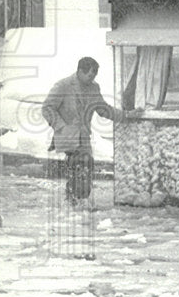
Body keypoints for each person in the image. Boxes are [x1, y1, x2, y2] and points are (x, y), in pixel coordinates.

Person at [42, 56, 131, 205]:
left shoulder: (94, 87)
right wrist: (61, 126)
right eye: (90, 75)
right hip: (67, 135)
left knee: (86, 166)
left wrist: (125, 115)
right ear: (80, 71)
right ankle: (74, 201)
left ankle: (78, 200)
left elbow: (103, 109)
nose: (92, 78)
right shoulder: (63, 85)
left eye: (94, 75)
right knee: (79, 165)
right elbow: (47, 108)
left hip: (84, 136)